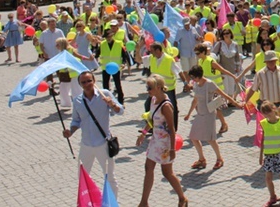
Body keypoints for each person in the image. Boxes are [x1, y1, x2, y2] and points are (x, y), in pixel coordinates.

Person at [63, 71, 123, 199]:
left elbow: (120, 110)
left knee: (110, 177)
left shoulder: (105, 94)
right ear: (79, 84)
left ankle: (111, 203)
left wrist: (112, 104)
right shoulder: (77, 101)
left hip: (103, 144)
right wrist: (70, 131)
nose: (87, 84)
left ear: (94, 81)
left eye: (89, 81)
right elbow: (76, 121)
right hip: (86, 145)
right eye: (83, 82)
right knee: (83, 177)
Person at [137, 74, 188, 206]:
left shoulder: (166, 106)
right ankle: (144, 202)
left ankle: (182, 197)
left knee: (167, 173)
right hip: (155, 140)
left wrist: (172, 149)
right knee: (148, 168)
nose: (147, 90)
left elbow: (171, 128)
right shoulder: (154, 99)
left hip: (165, 143)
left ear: (159, 88)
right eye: (147, 87)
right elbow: (152, 119)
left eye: (150, 87)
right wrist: (143, 133)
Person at [183, 65, 241, 170]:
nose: (192, 80)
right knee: (193, 137)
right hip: (200, 114)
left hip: (209, 114)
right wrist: (189, 114)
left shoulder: (209, 84)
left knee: (211, 139)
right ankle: (202, 159)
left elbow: (224, 95)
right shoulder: (196, 85)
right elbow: (195, 100)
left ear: (197, 76)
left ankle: (219, 159)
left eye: (192, 77)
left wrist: (236, 104)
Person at [258, 100, 280, 207]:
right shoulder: (263, 123)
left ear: (274, 109)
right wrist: (260, 155)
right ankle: (272, 197)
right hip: (269, 155)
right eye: (264, 112)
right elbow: (263, 140)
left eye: (269, 111)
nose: (267, 114)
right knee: (268, 178)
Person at [146, 43, 182, 129]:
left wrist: (186, 83)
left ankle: (173, 128)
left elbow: (178, 71)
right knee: (148, 105)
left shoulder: (169, 59)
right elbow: (139, 60)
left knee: (171, 107)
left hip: (168, 88)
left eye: (152, 51)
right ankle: (151, 127)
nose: (151, 53)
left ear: (158, 50)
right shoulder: (152, 58)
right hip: (155, 89)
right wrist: (138, 47)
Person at [173, 17, 201, 91]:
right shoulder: (180, 31)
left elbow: (197, 37)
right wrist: (174, 52)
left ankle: (192, 84)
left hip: (193, 52)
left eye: (188, 24)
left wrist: (199, 38)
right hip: (184, 53)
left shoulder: (193, 29)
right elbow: (176, 41)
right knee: (186, 70)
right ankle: (187, 85)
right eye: (185, 25)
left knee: (193, 70)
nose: (187, 26)